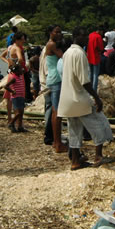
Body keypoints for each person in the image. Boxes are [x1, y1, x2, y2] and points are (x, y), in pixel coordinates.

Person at [58, 26, 113, 170]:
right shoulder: (79, 54)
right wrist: (96, 97)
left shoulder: (67, 53)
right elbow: (84, 81)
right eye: (84, 36)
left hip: (67, 99)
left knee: (74, 130)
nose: (87, 39)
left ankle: (75, 161)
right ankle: (98, 156)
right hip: (79, 98)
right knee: (99, 123)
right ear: (76, 36)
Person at [45, 25, 69, 153]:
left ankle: (56, 141)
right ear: (50, 32)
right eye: (57, 32)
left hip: (54, 79)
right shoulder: (52, 45)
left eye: (60, 32)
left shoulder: (53, 44)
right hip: (56, 80)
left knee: (55, 112)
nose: (59, 34)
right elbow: (64, 56)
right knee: (57, 113)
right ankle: (58, 143)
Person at [5, 64, 26, 132]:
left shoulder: (20, 76)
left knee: (21, 112)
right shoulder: (14, 78)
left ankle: (20, 126)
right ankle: (11, 123)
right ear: (16, 71)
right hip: (16, 97)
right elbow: (6, 86)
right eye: (20, 69)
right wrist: (12, 91)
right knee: (18, 113)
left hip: (21, 96)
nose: (21, 70)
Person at [87, 25, 105, 92]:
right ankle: (94, 91)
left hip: (89, 57)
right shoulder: (98, 37)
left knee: (90, 74)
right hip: (96, 57)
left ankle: (89, 90)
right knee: (95, 75)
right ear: (100, 31)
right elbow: (101, 48)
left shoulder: (90, 35)